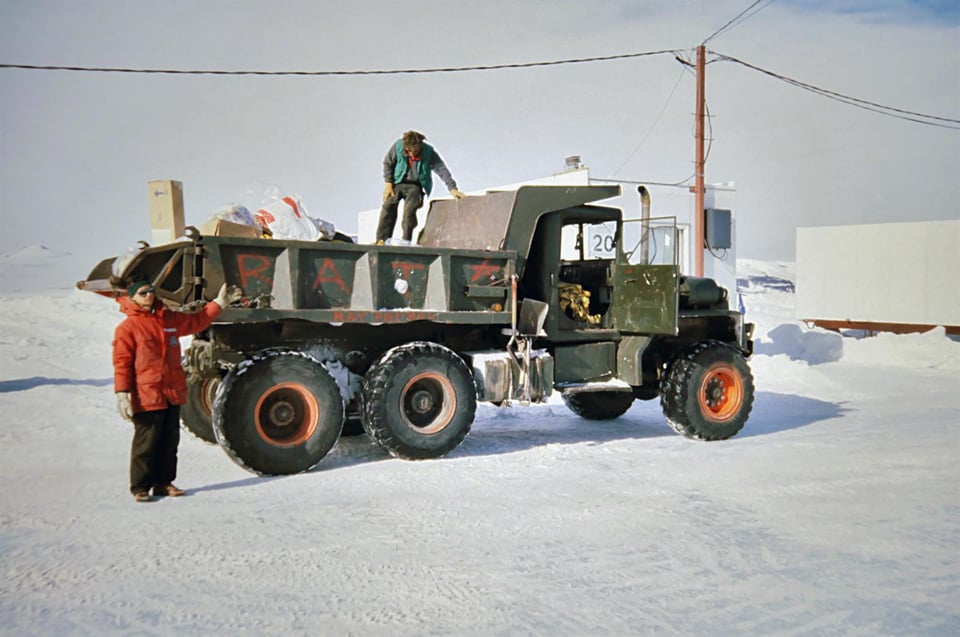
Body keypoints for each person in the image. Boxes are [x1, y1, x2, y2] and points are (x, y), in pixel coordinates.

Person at [113, 280, 242, 502]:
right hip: (147, 394)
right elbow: (122, 362)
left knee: (169, 442)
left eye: (151, 291)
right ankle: (140, 487)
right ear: (132, 297)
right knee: (146, 443)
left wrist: (219, 303)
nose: (148, 295)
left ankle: (164, 483)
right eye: (143, 293)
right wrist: (122, 393)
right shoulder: (127, 328)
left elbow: (196, 321)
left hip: (171, 391)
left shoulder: (168, 319)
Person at [376, 130, 466, 244]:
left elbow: (441, 169)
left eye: (415, 151)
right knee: (388, 206)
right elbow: (388, 163)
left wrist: (452, 188)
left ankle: (406, 241)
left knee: (409, 213)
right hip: (397, 183)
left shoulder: (429, 152)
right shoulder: (398, 146)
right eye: (409, 151)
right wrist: (388, 183)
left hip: (415, 185)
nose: (412, 154)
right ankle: (381, 240)